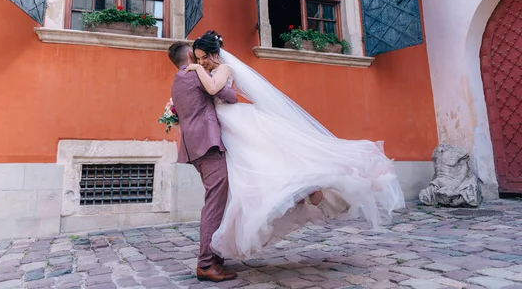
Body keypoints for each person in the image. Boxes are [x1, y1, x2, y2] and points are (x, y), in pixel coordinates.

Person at [183, 31, 405, 260]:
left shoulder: (223, 69)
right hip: (228, 126)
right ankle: (304, 191)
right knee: (261, 166)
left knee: (267, 160)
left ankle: (310, 187)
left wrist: (197, 70)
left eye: (204, 58)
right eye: (198, 59)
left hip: (236, 122)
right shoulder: (211, 69)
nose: (201, 62)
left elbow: (213, 89)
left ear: (214, 53)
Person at [167, 41, 238, 282]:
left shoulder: (177, 79)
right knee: (214, 203)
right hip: (207, 145)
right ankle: (206, 263)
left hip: (194, 147)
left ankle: (215, 255)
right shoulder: (195, 74)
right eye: (197, 56)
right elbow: (228, 95)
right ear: (190, 55)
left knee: (216, 199)